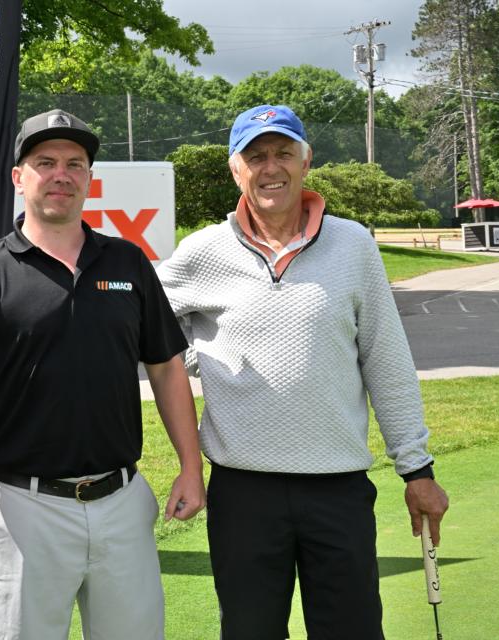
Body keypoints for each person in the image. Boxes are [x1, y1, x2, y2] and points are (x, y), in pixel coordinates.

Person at [157, 104, 449, 640]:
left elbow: (386, 359)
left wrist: (417, 469)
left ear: (306, 161)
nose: (272, 168)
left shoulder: (353, 244)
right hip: (243, 492)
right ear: (235, 170)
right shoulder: (203, 250)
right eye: (256, 156)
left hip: (337, 489)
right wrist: (204, 355)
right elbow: (144, 324)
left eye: (283, 153)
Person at [0, 108, 205, 640]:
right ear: (18, 176)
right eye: (45, 162)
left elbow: (166, 369)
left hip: (122, 505)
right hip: (25, 510)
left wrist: (191, 467)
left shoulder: (127, 263)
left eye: (75, 164)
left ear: (89, 179)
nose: (61, 175)